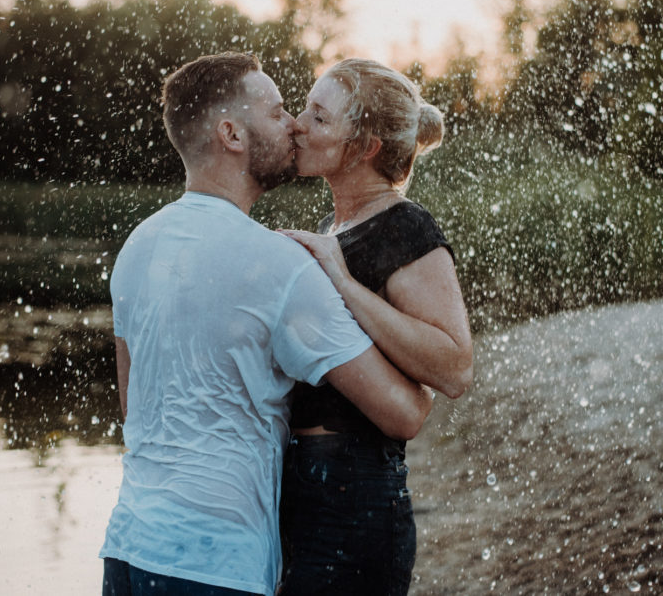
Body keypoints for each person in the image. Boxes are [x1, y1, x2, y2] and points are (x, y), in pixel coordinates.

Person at [99, 52, 433, 596]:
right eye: (278, 111)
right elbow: (404, 413)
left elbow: (135, 409)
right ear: (231, 133)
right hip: (216, 566)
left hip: (129, 551)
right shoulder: (279, 265)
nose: (294, 125)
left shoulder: (137, 247)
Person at [278, 58, 474, 595]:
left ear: (364, 147)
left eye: (319, 118)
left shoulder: (406, 226)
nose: (298, 124)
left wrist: (341, 281)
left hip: (355, 491)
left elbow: (454, 367)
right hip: (302, 488)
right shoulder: (333, 227)